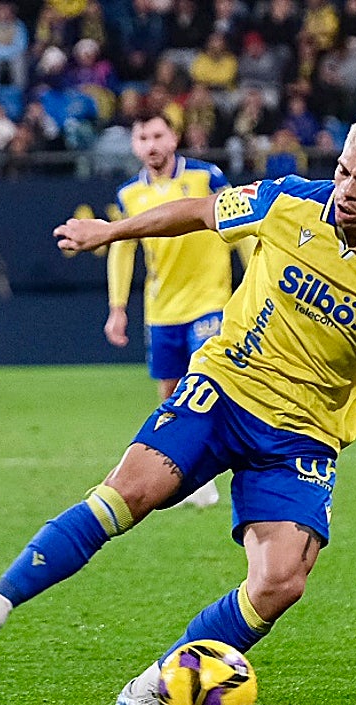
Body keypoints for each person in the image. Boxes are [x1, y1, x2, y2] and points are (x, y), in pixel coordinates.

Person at [0, 114, 356, 705]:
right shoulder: (288, 200)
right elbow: (200, 211)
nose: (345, 190)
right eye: (341, 171)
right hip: (225, 387)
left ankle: (150, 689)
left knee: (281, 583)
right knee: (128, 494)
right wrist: (112, 232)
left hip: (302, 437)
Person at [105, 111, 232, 509]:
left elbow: (240, 227)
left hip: (210, 300)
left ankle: (208, 470)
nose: (152, 145)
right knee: (170, 396)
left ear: (174, 138)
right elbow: (122, 251)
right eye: (143, 138)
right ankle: (182, 475)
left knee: (205, 384)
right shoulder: (129, 195)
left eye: (158, 135)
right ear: (134, 145)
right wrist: (117, 307)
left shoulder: (206, 177)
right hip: (162, 309)